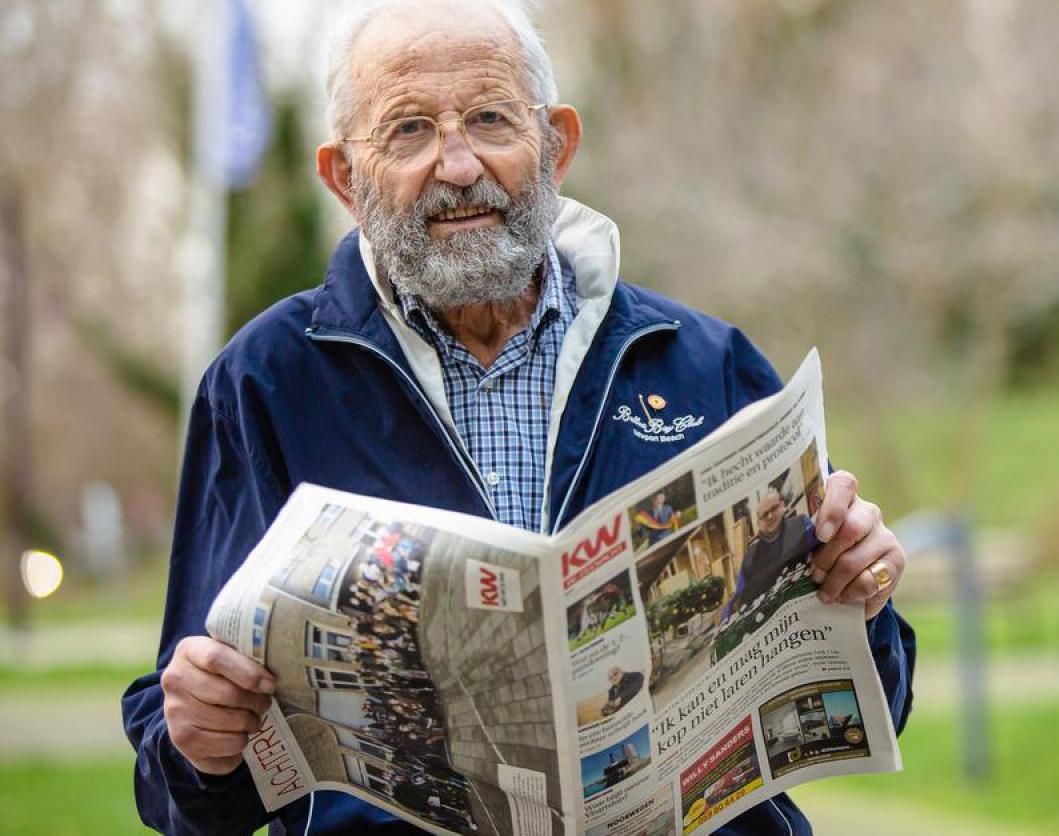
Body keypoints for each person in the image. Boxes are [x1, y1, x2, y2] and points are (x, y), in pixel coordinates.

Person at [119, 1, 913, 834]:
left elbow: (875, 703)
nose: (458, 165)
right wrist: (193, 745)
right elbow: (184, 786)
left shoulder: (702, 363)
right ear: (344, 180)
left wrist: (864, 598)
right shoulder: (265, 383)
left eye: (491, 119)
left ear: (557, 146)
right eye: (408, 130)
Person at [722, 490, 815, 620]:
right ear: (759, 523)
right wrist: (727, 616)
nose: (770, 516)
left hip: (809, 605)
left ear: (783, 506)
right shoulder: (750, 557)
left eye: (774, 508)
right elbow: (739, 595)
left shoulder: (802, 524)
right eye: (765, 515)